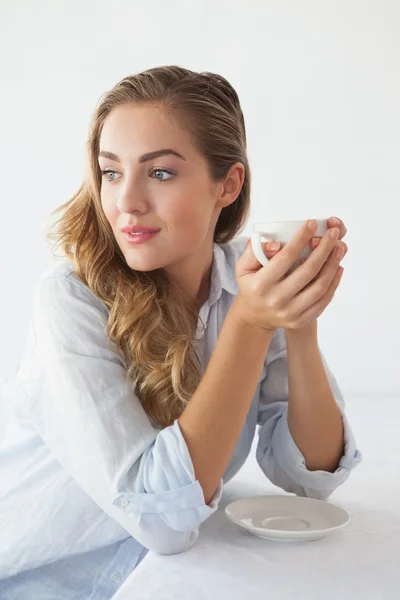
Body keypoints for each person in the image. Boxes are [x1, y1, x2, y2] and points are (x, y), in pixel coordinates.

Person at [0, 65, 362, 599]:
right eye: (112, 172)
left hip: (154, 581)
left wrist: (299, 322)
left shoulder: (247, 283)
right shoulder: (71, 299)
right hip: (37, 578)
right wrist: (251, 324)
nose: (127, 202)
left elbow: (308, 479)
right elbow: (162, 520)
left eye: (160, 173)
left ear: (228, 185)